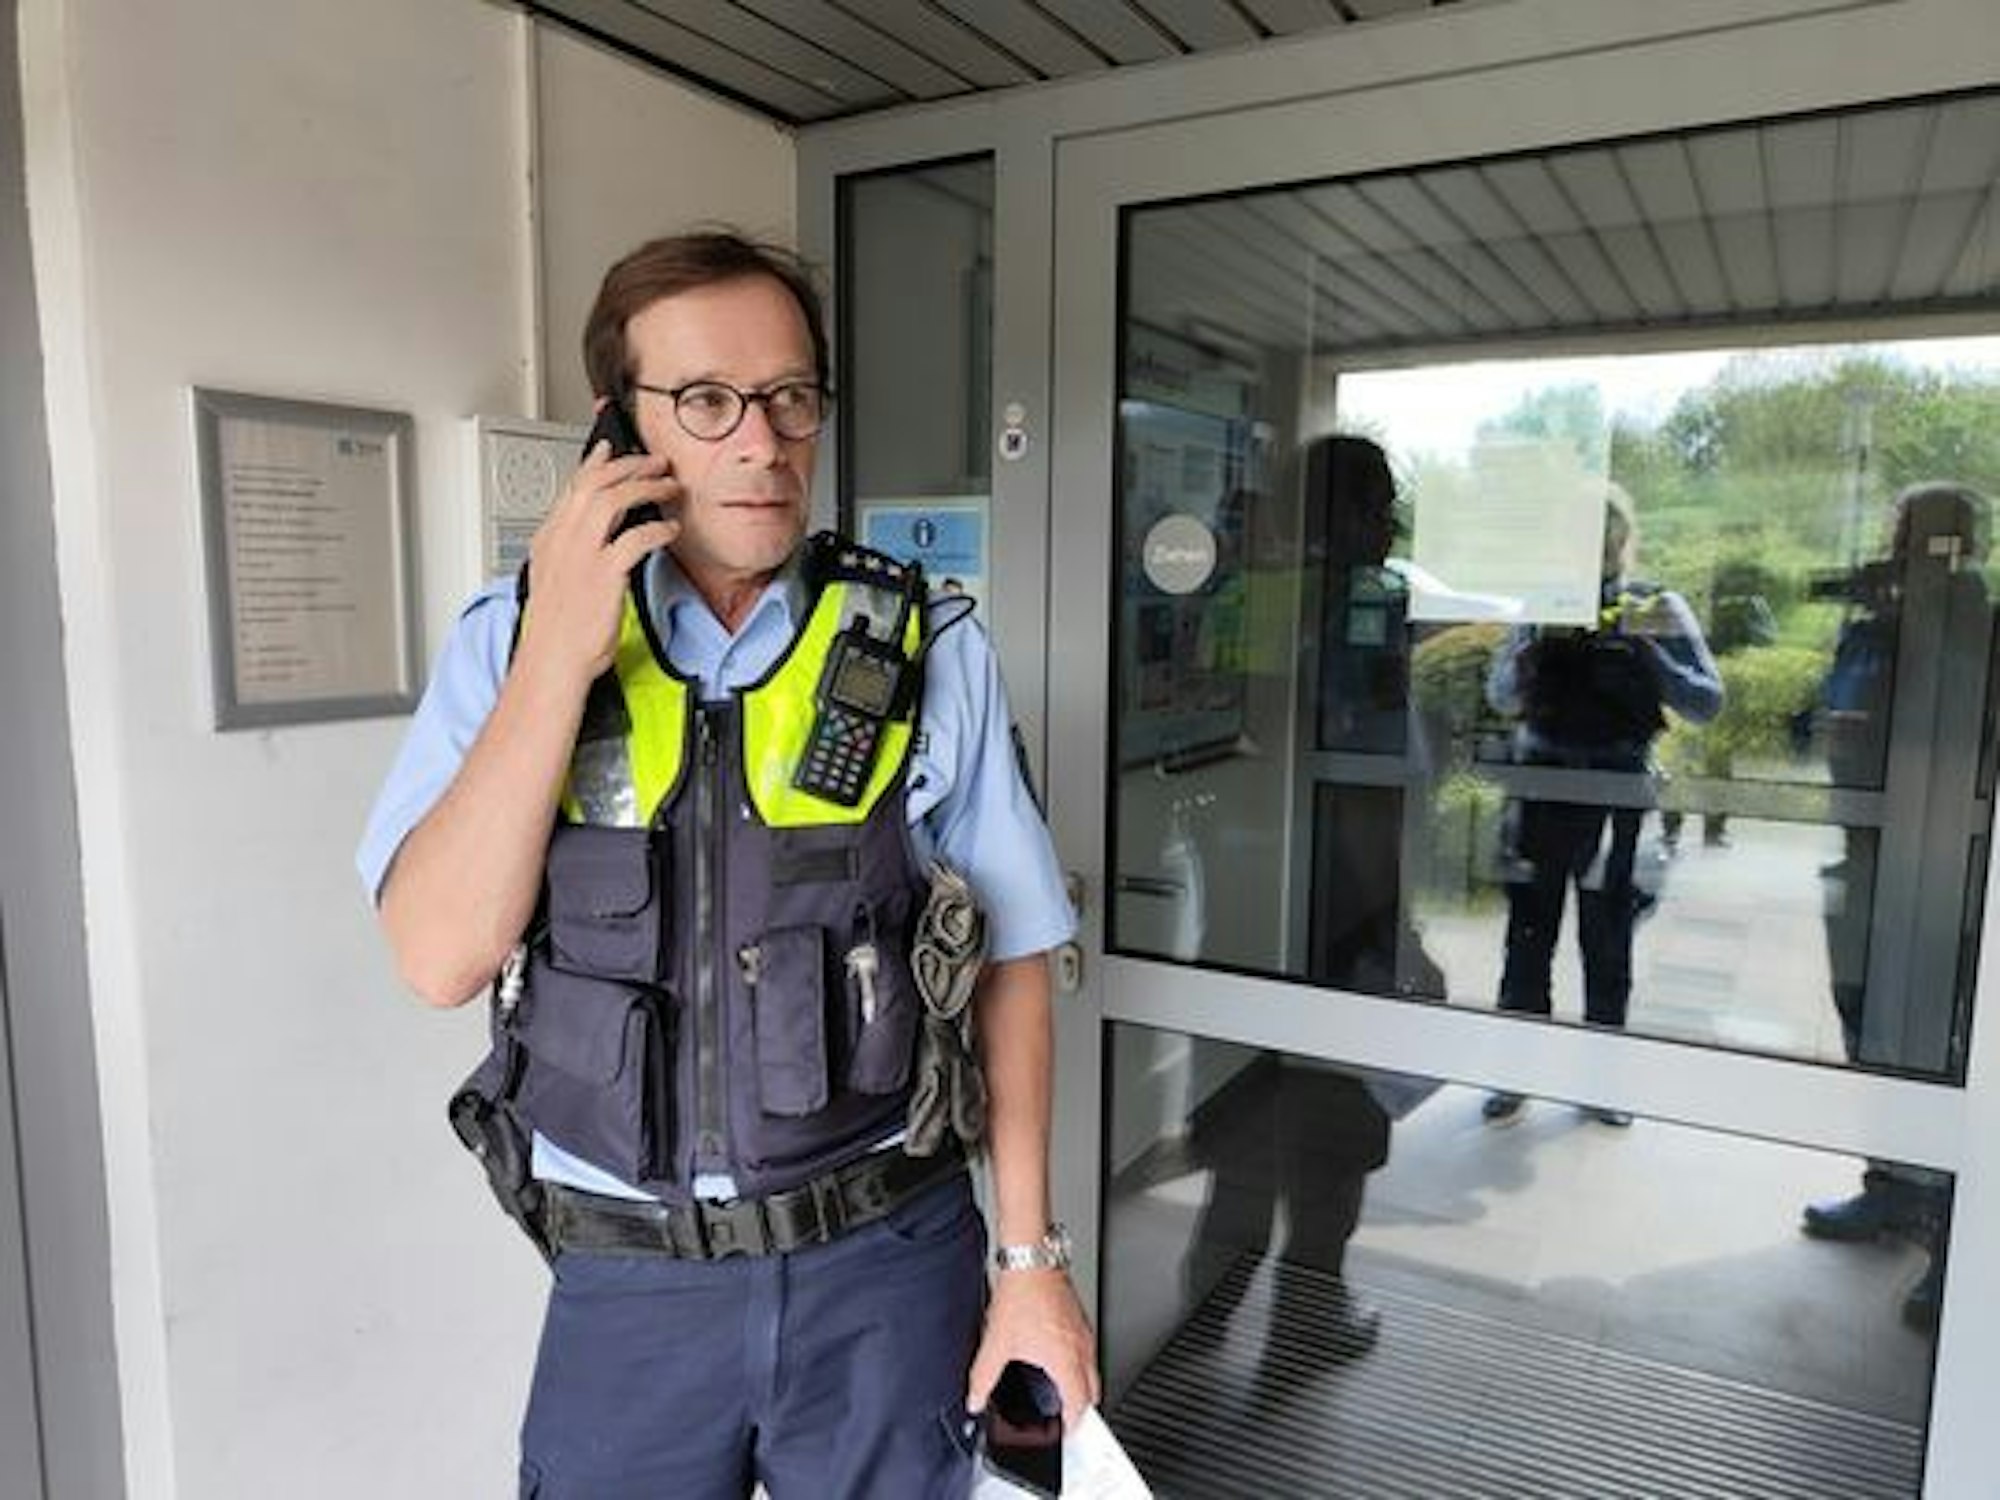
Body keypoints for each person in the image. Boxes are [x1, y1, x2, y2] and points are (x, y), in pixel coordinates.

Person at [356, 229, 1096, 1496]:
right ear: (615, 428)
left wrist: (1031, 1269)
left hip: (885, 1265)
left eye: (790, 396)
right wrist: (556, 657)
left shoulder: (924, 648)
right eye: (706, 401)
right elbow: (437, 957)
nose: (761, 442)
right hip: (631, 1281)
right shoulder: (507, 645)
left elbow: (1012, 961)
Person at [1799, 482, 1991, 1330]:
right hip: (1867, 852)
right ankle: (1890, 1184)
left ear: (1962, 547)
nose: (1904, 551)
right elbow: (1830, 721)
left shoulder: (1980, 622)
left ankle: (1952, 1231)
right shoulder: (1873, 624)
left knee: (1947, 1049)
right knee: (1868, 1023)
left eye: (1924, 539)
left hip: (1948, 868)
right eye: (1903, 534)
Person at [1482, 482, 1723, 1126]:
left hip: (1618, 799)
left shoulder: (1654, 604)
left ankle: (1604, 1084)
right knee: (1526, 944)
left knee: (1607, 945)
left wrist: (1650, 657)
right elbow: (1501, 696)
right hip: (1542, 792)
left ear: (1623, 537)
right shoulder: (1542, 606)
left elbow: (1706, 700)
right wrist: (1533, 655)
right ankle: (1513, 1077)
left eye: (1600, 532)